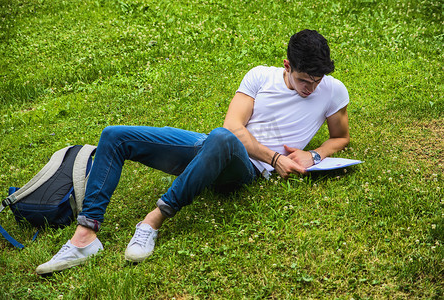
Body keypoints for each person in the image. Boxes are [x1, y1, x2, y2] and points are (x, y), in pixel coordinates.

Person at [36, 29, 350, 274]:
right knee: (115, 136)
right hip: (213, 144)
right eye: (303, 79)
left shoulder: (332, 90)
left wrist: (316, 154)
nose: (310, 88)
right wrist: (276, 158)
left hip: (243, 167)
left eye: (316, 80)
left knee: (221, 139)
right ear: (287, 66)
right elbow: (234, 127)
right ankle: (84, 237)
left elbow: (340, 137)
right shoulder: (260, 76)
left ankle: (151, 222)